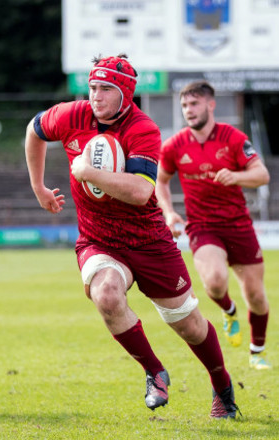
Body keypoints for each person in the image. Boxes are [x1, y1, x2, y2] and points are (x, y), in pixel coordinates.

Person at [24, 54, 239, 418]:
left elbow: (141, 191)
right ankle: (154, 372)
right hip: (99, 239)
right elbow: (34, 130)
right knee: (105, 295)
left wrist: (88, 172)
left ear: (125, 92)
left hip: (149, 241)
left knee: (188, 325)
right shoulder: (71, 114)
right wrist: (39, 187)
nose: (96, 96)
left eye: (106, 88)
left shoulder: (144, 129)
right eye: (92, 87)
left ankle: (222, 384)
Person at [156, 80, 271, 370]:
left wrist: (236, 176)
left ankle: (257, 352)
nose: (188, 110)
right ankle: (229, 311)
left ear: (210, 104)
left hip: (239, 226)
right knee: (215, 282)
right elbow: (160, 181)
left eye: (194, 104)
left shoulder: (233, 138)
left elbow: (261, 175)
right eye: (184, 105)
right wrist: (169, 213)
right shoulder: (174, 146)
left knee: (256, 296)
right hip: (202, 226)